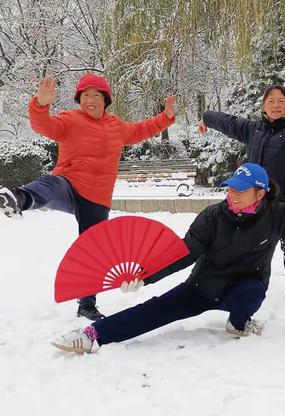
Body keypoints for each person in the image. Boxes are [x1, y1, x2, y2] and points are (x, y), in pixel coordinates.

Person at [51, 162, 285, 354]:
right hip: (203, 287)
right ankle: (91, 335)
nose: (233, 195)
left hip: (245, 286)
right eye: (230, 189)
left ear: (260, 193)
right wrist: (145, 275)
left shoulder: (277, 216)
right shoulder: (213, 217)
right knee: (154, 309)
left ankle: (238, 323)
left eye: (241, 191)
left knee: (252, 292)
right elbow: (184, 252)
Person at [0, 74, 176, 319]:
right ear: (78, 100)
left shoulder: (117, 126)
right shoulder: (69, 120)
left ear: (105, 100)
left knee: (93, 250)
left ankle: (87, 305)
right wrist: (40, 104)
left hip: (98, 198)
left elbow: (142, 129)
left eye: (95, 95)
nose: (90, 100)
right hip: (70, 184)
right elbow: (44, 126)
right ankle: (19, 199)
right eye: (84, 96)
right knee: (51, 184)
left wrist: (166, 117)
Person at [198, 85, 285, 306]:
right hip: (255, 200)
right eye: (270, 100)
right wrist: (206, 117)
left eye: (281, 101)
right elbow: (229, 123)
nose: (275, 105)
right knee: (250, 242)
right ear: (263, 105)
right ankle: (245, 283)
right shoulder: (254, 130)